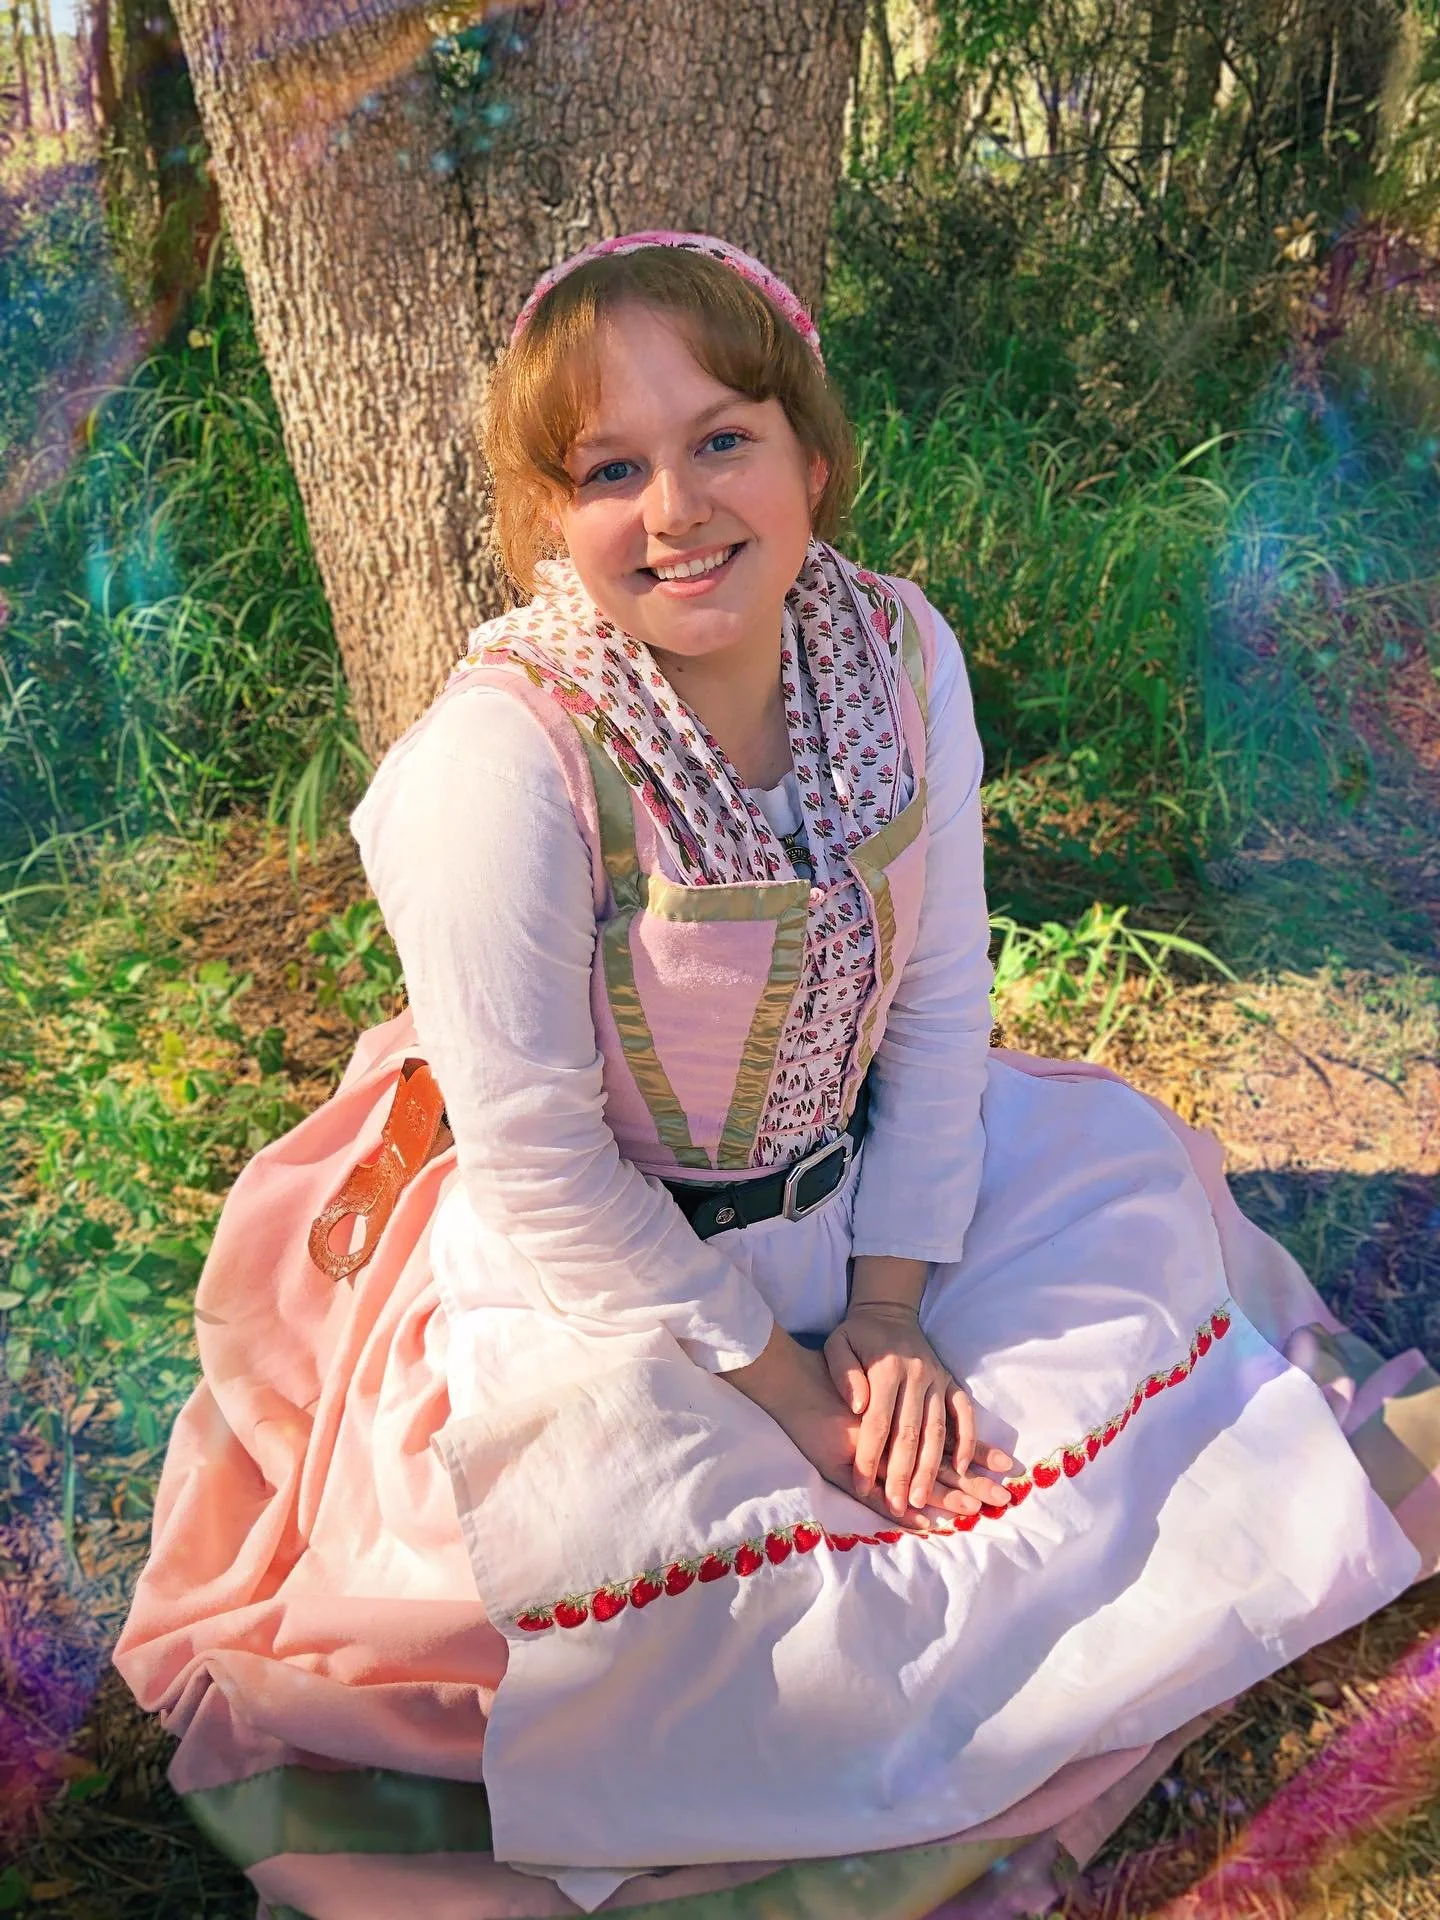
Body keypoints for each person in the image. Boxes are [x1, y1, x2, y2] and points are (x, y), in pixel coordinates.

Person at [115, 232, 1440, 1920]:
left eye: (722, 438)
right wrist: (796, 1390)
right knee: (743, 1633)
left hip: (860, 1195)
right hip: (611, 1281)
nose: (674, 508)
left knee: (1108, 1307)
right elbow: (543, 1170)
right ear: (549, 521)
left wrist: (890, 1309)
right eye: (610, 469)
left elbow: (941, 1003)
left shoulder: (895, 651)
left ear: (812, 457)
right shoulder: (502, 760)